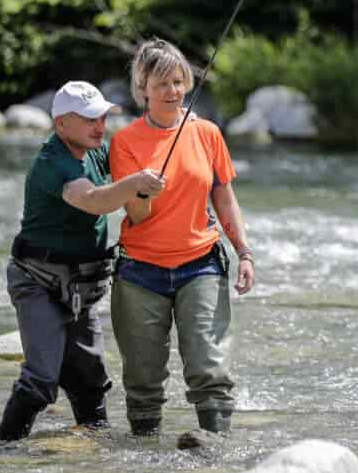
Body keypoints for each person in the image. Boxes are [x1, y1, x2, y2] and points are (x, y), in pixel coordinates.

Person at [0, 81, 166, 441]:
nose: (99, 125)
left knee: (91, 379)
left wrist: (167, 121)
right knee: (41, 379)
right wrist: (133, 183)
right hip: (37, 281)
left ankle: (94, 455)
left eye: (103, 117)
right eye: (90, 118)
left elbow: (132, 155)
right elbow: (92, 200)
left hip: (83, 286)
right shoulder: (51, 161)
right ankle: (2, 452)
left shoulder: (98, 150)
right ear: (61, 125)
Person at [108, 38, 255, 438]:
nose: (172, 92)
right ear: (143, 89)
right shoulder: (125, 142)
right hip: (140, 272)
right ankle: (144, 463)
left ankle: (215, 450)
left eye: (178, 82)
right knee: (142, 378)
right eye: (161, 85)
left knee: (209, 366)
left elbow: (224, 197)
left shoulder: (207, 134)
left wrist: (244, 252)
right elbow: (136, 217)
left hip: (201, 265)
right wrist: (140, 190)